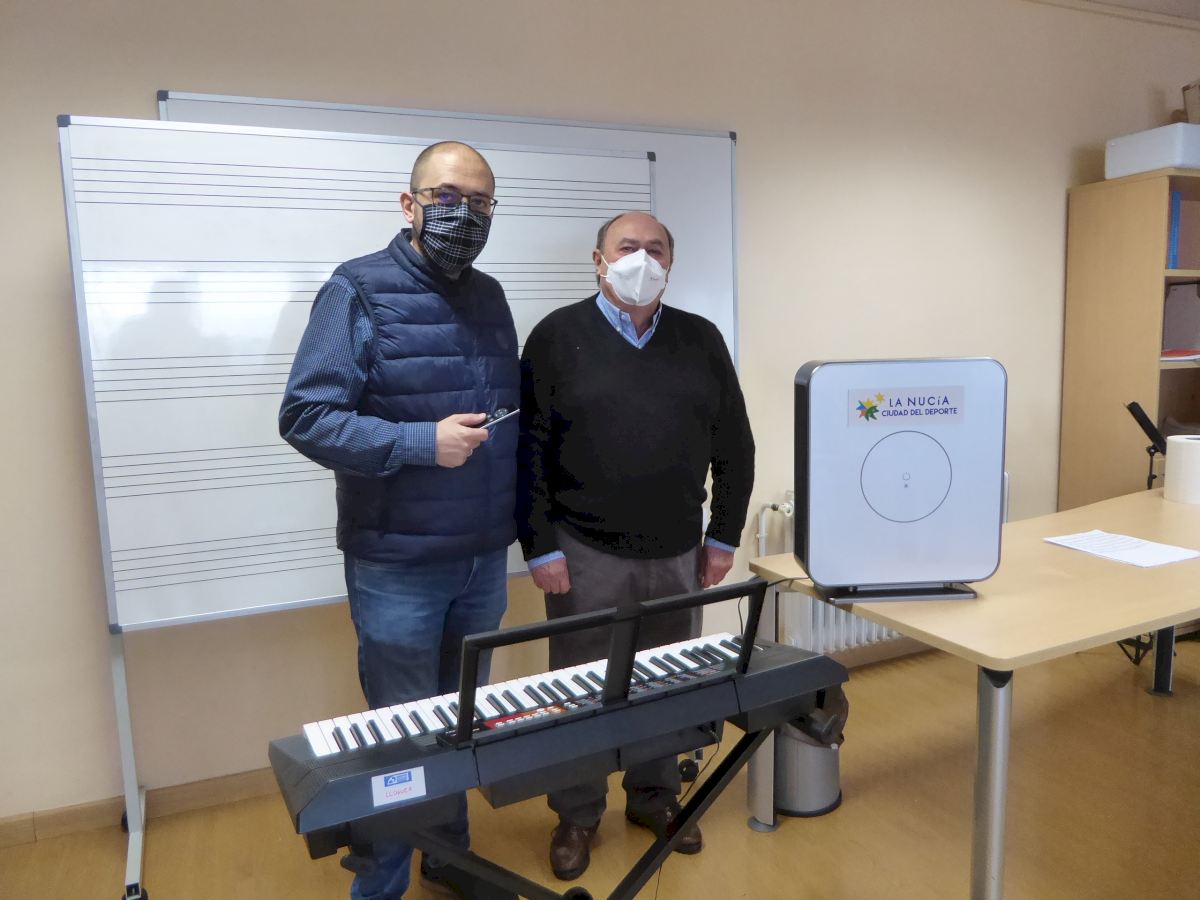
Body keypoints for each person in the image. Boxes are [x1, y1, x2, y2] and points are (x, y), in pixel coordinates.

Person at [279, 141, 517, 900]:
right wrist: (421, 442)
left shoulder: (490, 296)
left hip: (482, 558)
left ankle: (448, 857)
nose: (463, 213)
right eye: (446, 196)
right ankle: (380, 886)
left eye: (479, 202)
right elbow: (306, 416)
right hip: (398, 567)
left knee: (458, 723)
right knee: (399, 735)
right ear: (409, 204)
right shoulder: (357, 289)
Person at [516, 211, 755, 881]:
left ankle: (656, 798)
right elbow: (528, 451)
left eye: (655, 249)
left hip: (679, 550)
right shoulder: (556, 336)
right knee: (580, 690)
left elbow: (735, 444)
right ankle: (577, 813)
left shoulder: (700, 339)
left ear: (670, 265)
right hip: (583, 550)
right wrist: (540, 546)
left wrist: (724, 535)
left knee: (667, 683)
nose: (641, 260)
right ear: (599, 260)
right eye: (627, 247)